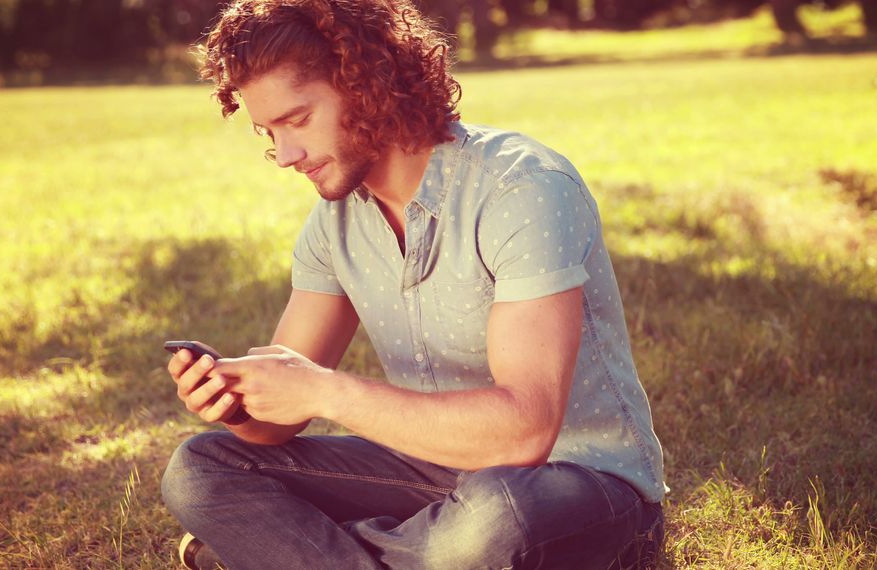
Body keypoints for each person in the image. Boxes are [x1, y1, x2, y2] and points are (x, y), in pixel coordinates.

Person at [160, 1, 667, 568]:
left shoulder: (521, 186)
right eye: (268, 130)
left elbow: (526, 435)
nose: (283, 156)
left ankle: (284, 554)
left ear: (366, 85)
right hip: (436, 476)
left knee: (493, 518)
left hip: (572, 483)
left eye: (297, 120)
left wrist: (327, 390)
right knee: (203, 466)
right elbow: (278, 424)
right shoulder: (335, 224)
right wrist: (236, 404)